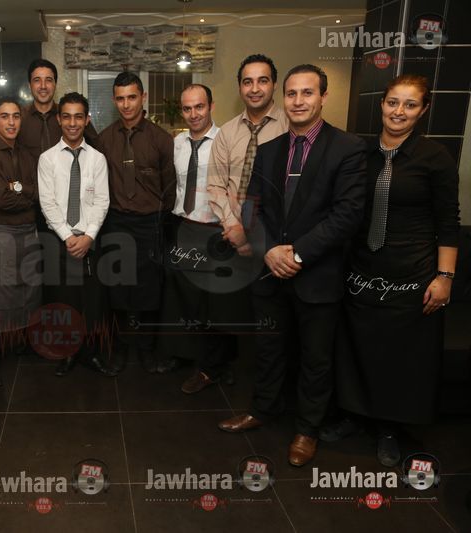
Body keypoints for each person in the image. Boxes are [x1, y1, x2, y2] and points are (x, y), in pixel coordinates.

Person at [217, 65, 367, 468]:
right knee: (268, 350)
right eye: (292, 94)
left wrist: (297, 254)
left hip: (316, 275)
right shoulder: (269, 150)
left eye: (307, 93)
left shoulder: (348, 148)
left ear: (323, 97)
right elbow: (251, 207)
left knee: (315, 358)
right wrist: (268, 251)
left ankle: (307, 429)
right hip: (269, 272)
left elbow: (347, 215)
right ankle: (262, 409)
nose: (298, 101)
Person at [327, 74, 460, 466]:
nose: (399, 111)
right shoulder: (361, 152)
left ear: (423, 110)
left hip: (411, 270)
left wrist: (445, 277)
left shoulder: (435, 157)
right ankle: (355, 414)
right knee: (357, 344)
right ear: (382, 104)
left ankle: (389, 426)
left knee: (398, 353)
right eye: (393, 102)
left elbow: (448, 221)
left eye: (410, 104)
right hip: (363, 267)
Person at [185, 54, 288, 393]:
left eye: (262, 80)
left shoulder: (290, 128)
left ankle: (271, 387)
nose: (254, 88)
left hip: (276, 237)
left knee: (271, 316)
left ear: (274, 84)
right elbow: (216, 186)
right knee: (219, 307)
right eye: (247, 81)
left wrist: (254, 233)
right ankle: (213, 369)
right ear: (240, 87)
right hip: (231, 234)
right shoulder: (228, 133)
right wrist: (236, 230)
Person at [98, 71, 175, 374]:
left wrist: (158, 220)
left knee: (148, 291)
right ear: (114, 100)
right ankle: (120, 348)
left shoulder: (161, 139)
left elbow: (170, 189)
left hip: (149, 224)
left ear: (143, 97)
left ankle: (145, 348)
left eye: (132, 97)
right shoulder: (104, 140)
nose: (126, 104)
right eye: (120, 98)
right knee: (117, 289)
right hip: (116, 223)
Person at [154, 84, 226, 387]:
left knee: (212, 302)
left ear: (211, 106)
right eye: (187, 108)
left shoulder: (225, 142)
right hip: (181, 226)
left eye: (199, 107)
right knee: (180, 295)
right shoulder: (177, 143)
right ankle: (180, 354)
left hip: (214, 230)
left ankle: (214, 365)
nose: (193, 114)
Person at [38, 92, 114, 377]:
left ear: (87, 119)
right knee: (64, 301)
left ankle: (91, 354)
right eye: (67, 116)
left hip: (89, 241)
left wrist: (88, 237)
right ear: (59, 119)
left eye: (78, 117)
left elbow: (102, 201)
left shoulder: (97, 159)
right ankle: (67, 354)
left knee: (92, 303)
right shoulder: (47, 159)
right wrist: (67, 237)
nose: (72, 123)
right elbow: (47, 203)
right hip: (60, 242)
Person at [0, 96, 42, 387]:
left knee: (28, 292)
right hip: (1, 232)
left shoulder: (27, 154)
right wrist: (22, 192)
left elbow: (39, 192)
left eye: (16, 116)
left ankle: (21, 345)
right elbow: (0, 199)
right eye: (5, 116)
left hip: (28, 230)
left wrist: (17, 188)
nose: (11, 122)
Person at [17, 58, 99, 162]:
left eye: (48, 80)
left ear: (55, 84)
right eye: (37, 80)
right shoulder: (19, 118)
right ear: (29, 85)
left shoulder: (69, 115)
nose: (43, 86)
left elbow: (96, 147)